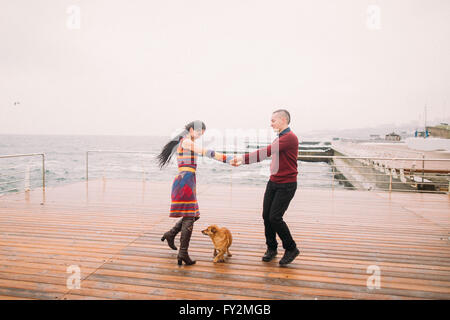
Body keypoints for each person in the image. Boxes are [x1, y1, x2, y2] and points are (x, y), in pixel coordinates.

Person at [231, 109, 300, 266]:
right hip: (274, 181)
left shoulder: (289, 137)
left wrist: (242, 158)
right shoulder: (280, 137)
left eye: (273, 121)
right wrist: (244, 160)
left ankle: (291, 248)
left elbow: (266, 151)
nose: (271, 123)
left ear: (283, 120)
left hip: (286, 185)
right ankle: (272, 248)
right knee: (266, 216)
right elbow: (268, 153)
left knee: (275, 217)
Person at [157, 120, 231, 265]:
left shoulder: (186, 142)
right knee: (190, 216)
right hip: (185, 182)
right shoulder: (186, 142)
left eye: (201, 134)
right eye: (198, 133)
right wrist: (227, 159)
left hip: (187, 181)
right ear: (191, 130)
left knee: (193, 215)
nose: (198, 136)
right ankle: (183, 253)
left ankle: (171, 235)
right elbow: (205, 152)